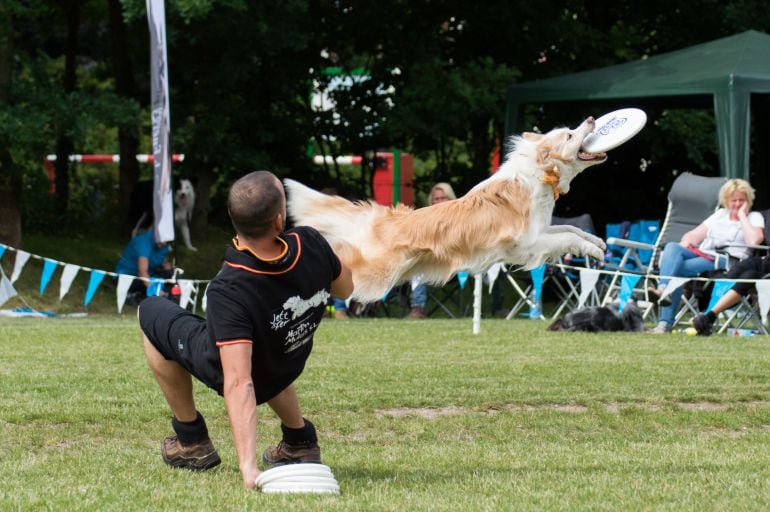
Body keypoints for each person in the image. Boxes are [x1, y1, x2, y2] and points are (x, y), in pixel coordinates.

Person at [137, 171, 353, 489]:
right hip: (286, 358)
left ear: (232, 218)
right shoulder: (311, 242)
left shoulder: (230, 287)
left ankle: (191, 439)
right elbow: (345, 289)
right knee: (261, 340)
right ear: (279, 220)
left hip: (251, 365)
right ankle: (300, 441)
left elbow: (238, 382)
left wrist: (248, 469)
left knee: (151, 311)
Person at [648, 179, 764, 334]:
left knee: (675, 270)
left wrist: (742, 215)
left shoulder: (754, 217)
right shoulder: (720, 215)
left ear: (748, 201)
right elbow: (695, 234)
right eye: (733, 200)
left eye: (741, 200)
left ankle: (664, 322)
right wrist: (687, 240)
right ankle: (663, 289)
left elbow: (754, 241)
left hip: (728, 261)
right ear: (726, 201)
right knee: (672, 247)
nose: (737, 204)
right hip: (705, 254)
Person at [408, 182, 457, 319]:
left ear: (451, 199)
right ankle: (417, 308)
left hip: (456, 265)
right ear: (431, 201)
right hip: (430, 262)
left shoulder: (460, 221)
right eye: (436, 199)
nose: (440, 202)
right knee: (417, 263)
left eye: (443, 198)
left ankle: (497, 308)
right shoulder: (424, 221)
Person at [692, 254, 770, 335]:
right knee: (735, 272)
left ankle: (709, 316)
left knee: (750, 276)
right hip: (761, 262)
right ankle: (706, 315)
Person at [115, 229, 173, 305]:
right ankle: (138, 295)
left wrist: (168, 270)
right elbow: (142, 272)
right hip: (129, 276)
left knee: (172, 274)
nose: (164, 243)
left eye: (167, 241)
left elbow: (164, 262)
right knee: (146, 284)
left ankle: (171, 297)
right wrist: (155, 291)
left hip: (150, 274)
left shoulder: (165, 245)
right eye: (163, 240)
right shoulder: (143, 242)